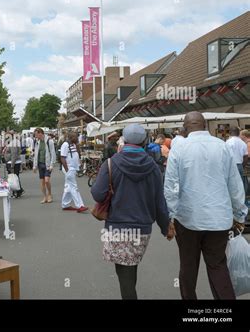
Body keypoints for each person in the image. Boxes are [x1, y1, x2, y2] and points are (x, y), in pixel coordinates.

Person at [164, 112, 247, 300]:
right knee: (218, 265)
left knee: (188, 267)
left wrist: (170, 216)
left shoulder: (179, 149)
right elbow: (235, 185)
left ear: (185, 128)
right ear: (205, 126)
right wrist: (240, 215)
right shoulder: (223, 147)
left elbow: (171, 187)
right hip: (219, 219)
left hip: (187, 219)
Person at [91, 123, 172, 300]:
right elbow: (160, 202)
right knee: (129, 269)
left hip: (118, 226)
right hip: (142, 227)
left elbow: (97, 194)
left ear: (124, 140)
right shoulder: (153, 167)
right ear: (144, 142)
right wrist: (166, 227)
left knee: (125, 274)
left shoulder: (111, 163)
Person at [61, 132, 88, 213]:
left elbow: (77, 154)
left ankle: (65, 204)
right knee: (74, 186)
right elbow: (62, 158)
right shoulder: (65, 145)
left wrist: (77, 145)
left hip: (73, 168)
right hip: (69, 168)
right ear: (71, 137)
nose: (77, 138)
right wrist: (67, 170)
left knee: (68, 187)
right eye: (76, 137)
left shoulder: (73, 144)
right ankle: (80, 205)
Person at [33, 128, 56, 204]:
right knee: (42, 182)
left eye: (36, 134)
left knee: (47, 180)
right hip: (40, 164)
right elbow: (36, 154)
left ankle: (49, 194)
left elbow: (53, 153)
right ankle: (45, 196)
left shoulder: (49, 141)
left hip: (47, 164)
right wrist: (34, 166)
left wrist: (52, 165)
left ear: (41, 133)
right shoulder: (37, 142)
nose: (36, 136)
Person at [225, 126, 248, 192]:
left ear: (230, 132)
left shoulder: (228, 142)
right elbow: (246, 156)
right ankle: (243, 200)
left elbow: (226, 155)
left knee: (232, 185)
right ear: (238, 133)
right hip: (240, 165)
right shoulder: (243, 143)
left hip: (231, 165)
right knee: (240, 184)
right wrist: (242, 165)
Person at [4, 131, 24, 198]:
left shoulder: (13, 143)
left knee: (14, 178)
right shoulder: (12, 142)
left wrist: (12, 165)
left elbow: (14, 154)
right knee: (14, 178)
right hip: (13, 162)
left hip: (13, 163)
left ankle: (18, 191)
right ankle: (17, 191)